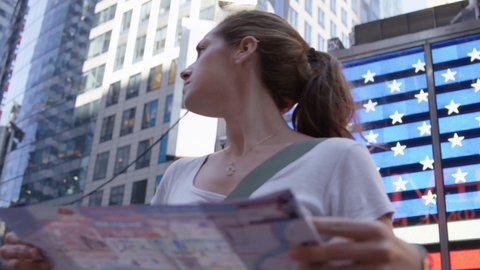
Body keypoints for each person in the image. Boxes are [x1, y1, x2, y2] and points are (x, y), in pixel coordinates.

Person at [0, 10, 430, 270]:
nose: (186, 70)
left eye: (201, 50)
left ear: (244, 49)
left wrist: (413, 262)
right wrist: (48, 260)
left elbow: (382, 261)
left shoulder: (339, 158)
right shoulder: (178, 173)